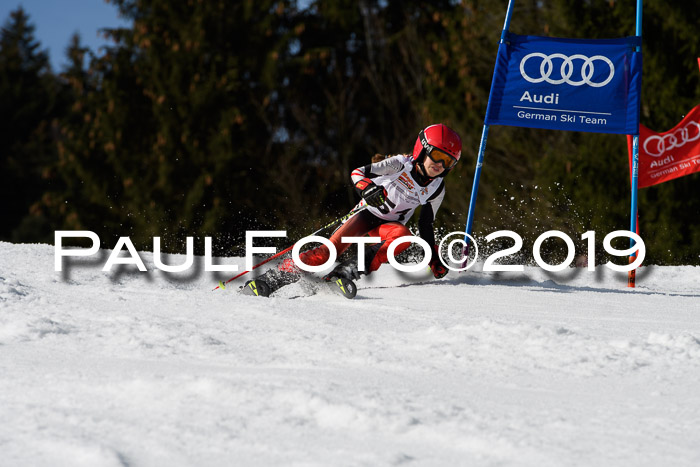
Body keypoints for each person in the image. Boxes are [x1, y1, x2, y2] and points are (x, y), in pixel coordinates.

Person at [248, 123, 462, 295]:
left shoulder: (436, 189)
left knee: (403, 237)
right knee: (326, 253)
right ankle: (271, 280)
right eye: (437, 156)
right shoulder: (399, 164)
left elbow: (426, 224)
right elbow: (357, 173)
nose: (440, 165)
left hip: (388, 227)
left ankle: (346, 272)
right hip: (366, 214)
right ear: (422, 149)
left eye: (448, 161)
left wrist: (434, 259)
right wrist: (367, 189)